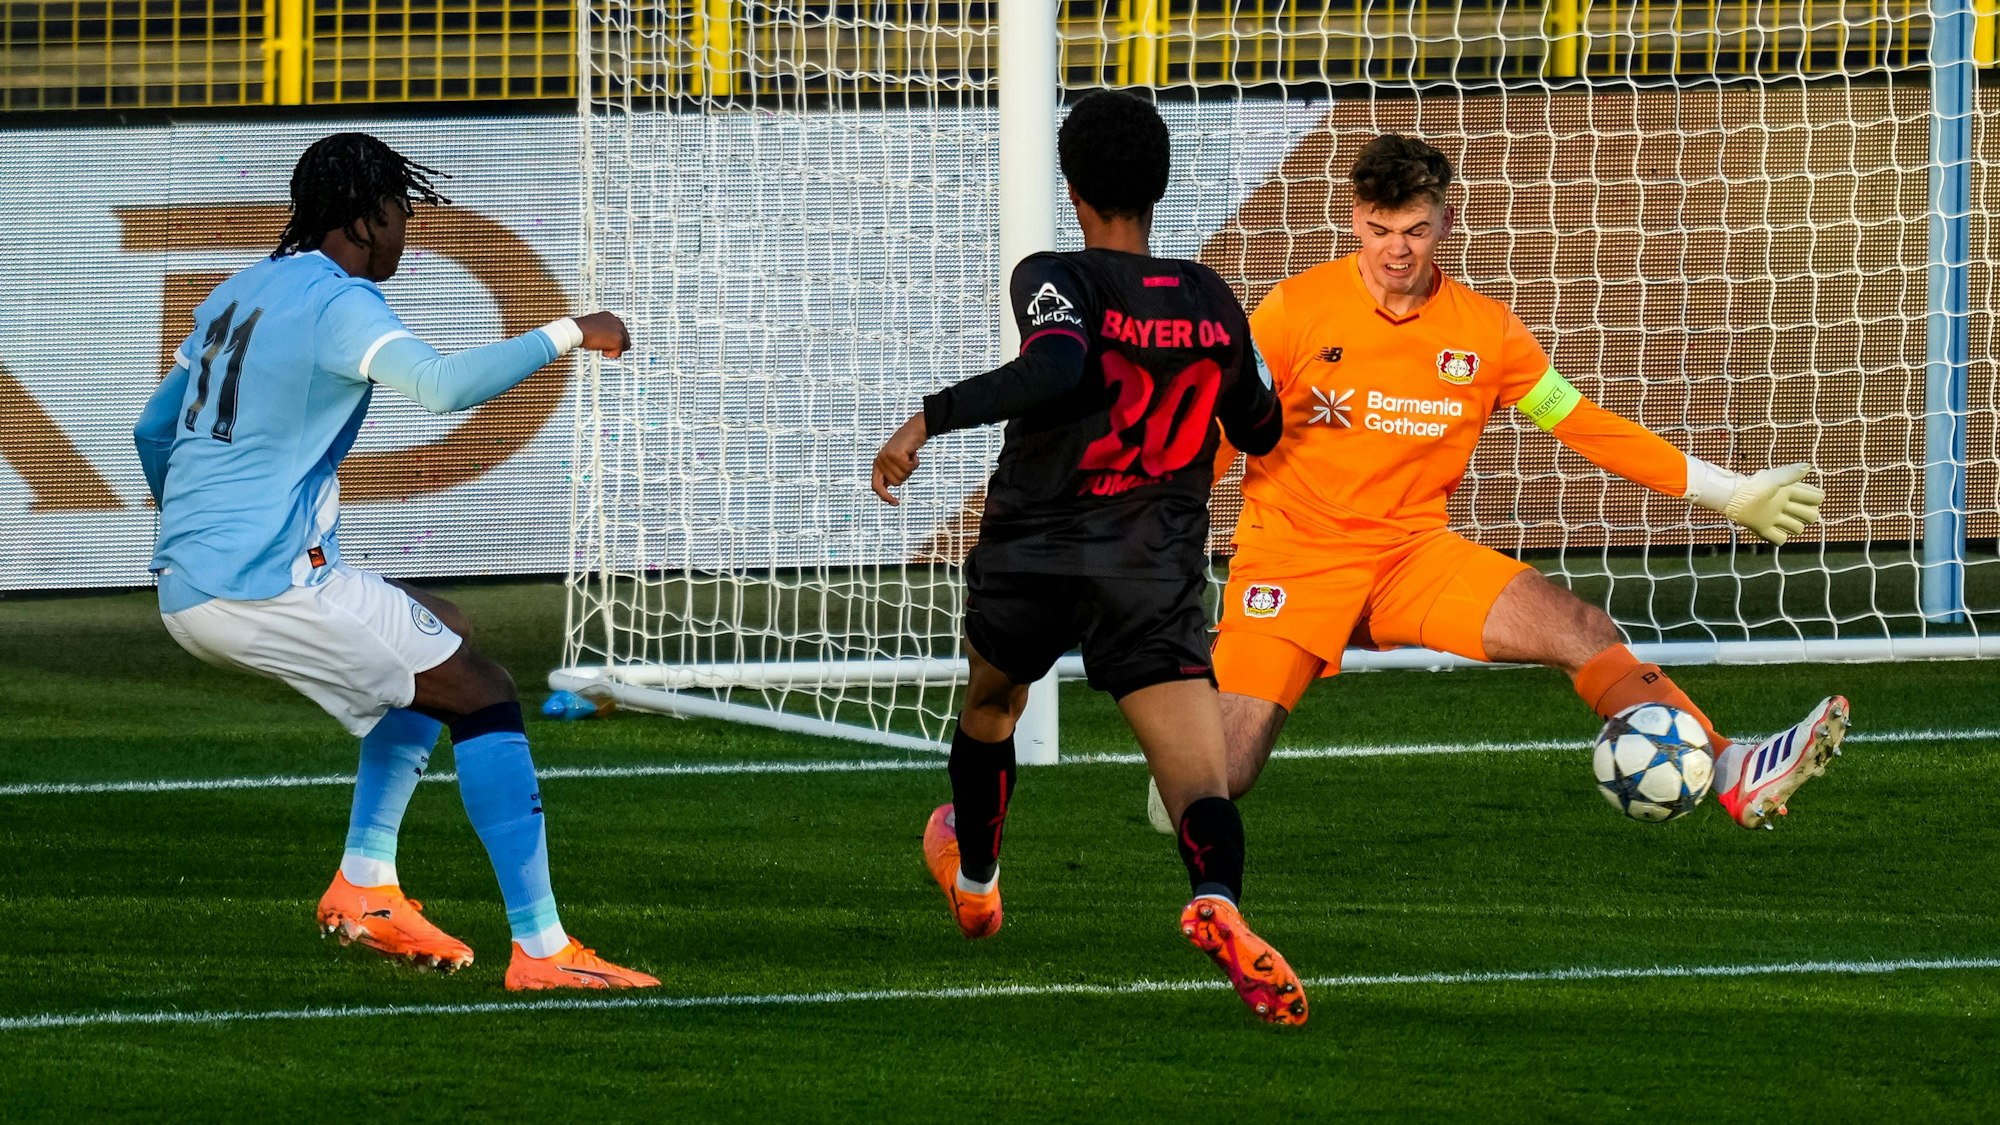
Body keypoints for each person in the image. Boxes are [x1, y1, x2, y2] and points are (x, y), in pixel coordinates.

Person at [1148, 133, 1847, 835]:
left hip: (1412, 559)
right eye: (1382, 230)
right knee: (1222, 774)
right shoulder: (1294, 311)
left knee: (1581, 627)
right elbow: (1220, 431)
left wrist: (1729, 493)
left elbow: (1582, 423)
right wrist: (1158, 538)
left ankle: (1732, 770)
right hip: (1296, 559)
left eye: (1417, 230)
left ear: (1446, 222)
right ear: (1355, 219)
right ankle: (1185, 749)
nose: (1399, 250)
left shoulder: (1487, 333)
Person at [132, 132, 657, 990]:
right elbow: (443, 387)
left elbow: (153, 431)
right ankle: (543, 949)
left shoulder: (236, 292)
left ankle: (367, 884)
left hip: (193, 579)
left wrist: (196, 531)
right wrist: (571, 329)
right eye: (404, 213)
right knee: (483, 690)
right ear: (368, 219)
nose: (408, 232)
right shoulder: (339, 302)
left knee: (440, 634)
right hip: (258, 584)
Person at [872, 91, 1306, 1024]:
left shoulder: (1054, 274)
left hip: (1035, 549)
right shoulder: (1212, 299)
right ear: (1160, 186)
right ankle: (1219, 903)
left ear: (1072, 189)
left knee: (991, 706)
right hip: (1148, 566)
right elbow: (1261, 427)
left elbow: (1061, 364)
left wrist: (928, 415)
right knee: (1198, 777)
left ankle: (979, 878)